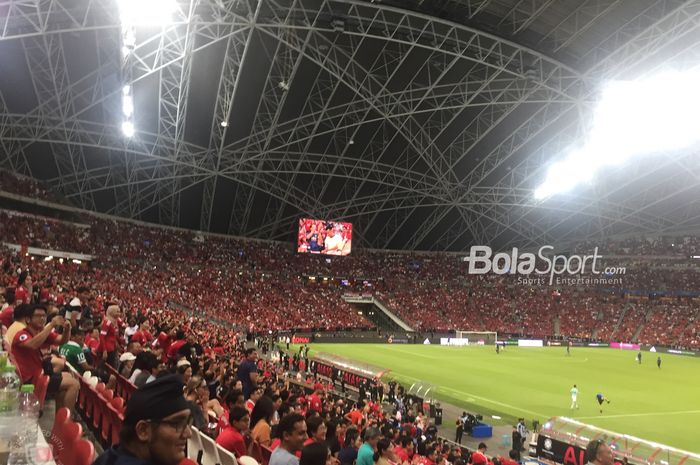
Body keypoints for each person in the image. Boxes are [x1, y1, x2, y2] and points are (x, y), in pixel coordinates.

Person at [92, 374, 193, 465]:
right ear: (143, 430)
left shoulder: (113, 455)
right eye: (178, 423)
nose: (188, 434)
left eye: (187, 423)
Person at [11, 303, 79, 411]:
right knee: (74, 384)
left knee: (67, 382)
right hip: (29, 380)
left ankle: (59, 420)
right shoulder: (21, 334)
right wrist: (51, 325)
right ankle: (66, 420)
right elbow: (33, 344)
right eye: (38, 316)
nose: (42, 318)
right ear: (28, 319)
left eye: (44, 315)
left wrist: (67, 330)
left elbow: (62, 341)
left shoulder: (41, 332)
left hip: (38, 374)